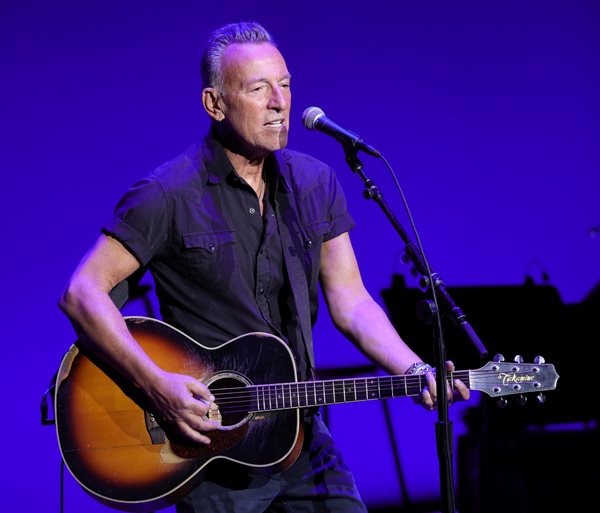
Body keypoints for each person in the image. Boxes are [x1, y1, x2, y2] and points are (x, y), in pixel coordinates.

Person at [59, 20, 470, 513]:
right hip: (210, 447)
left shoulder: (315, 183)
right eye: (258, 89)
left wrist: (415, 368)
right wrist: (157, 385)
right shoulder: (167, 194)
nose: (280, 102)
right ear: (215, 104)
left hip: (299, 432)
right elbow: (82, 293)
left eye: (286, 84)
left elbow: (352, 302)